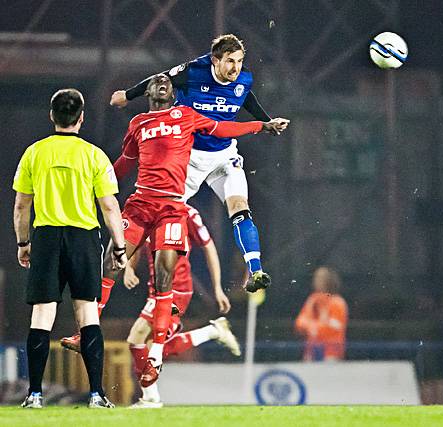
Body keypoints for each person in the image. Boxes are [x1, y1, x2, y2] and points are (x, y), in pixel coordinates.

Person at [62, 74, 287, 388]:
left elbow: (223, 129)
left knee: (163, 276)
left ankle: (155, 358)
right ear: (149, 92)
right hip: (140, 204)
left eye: (166, 81)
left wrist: (260, 125)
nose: (161, 82)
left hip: (171, 207)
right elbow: (125, 164)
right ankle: (86, 330)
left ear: (173, 92)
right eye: (155, 81)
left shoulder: (186, 116)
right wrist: (96, 188)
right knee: (112, 262)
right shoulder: (138, 123)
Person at [110, 34, 290, 293]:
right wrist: (128, 96)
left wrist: (267, 121)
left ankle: (256, 269)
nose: (236, 68)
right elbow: (158, 81)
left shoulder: (243, 78)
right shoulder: (193, 71)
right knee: (159, 217)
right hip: (188, 158)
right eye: (230, 61)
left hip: (224, 156)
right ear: (215, 60)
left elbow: (246, 97)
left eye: (239, 61)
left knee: (240, 208)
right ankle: (151, 282)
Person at [12, 89, 127, 408]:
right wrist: (119, 247)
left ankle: (34, 395)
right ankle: (96, 395)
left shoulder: (34, 153)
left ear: (52, 116)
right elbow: (109, 207)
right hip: (83, 239)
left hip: (46, 237)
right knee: (88, 314)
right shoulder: (94, 155)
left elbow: (22, 206)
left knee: (41, 315)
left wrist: (24, 243)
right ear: (81, 118)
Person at [125, 205, 240, 408]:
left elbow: (209, 247)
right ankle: (212, 331)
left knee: (137, 336)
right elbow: (135, 244)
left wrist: (217, 288)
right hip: (156, 289)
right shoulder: (147, 208)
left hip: (177, 290)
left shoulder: (188, 214)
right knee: (153, 347)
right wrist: (129, 269)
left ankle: (150, 397)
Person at [294, 267, 348, 361]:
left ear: (329, 280)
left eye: (320, 278)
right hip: (311, 353)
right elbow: (300, 323)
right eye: (316, 277)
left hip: (331, 354)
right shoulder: (313, 300)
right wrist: (313, 327)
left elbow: (334, 328)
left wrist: (313, 328)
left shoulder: (337, 302)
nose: (316, 280)